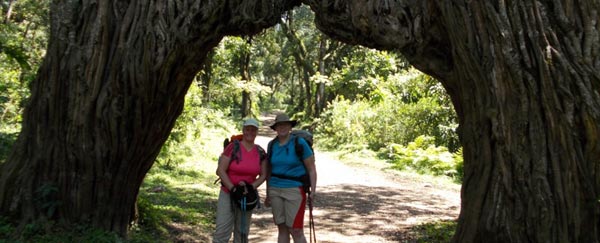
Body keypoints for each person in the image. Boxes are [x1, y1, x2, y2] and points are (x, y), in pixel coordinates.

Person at [213, 118, 268, 243]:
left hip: (246, 196)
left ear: (257, 132)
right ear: (243, 130)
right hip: (228, 192)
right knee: (222, 230)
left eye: (253, 130)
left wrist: (250, 187)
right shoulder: (232, 147)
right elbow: (221, 170)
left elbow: (264, 175)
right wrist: (233, 188)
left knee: (242, 232)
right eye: (247, 129)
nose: (250, 132)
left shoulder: (260, 151)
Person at [265, 113, 317, 243]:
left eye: (285, 125)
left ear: (290, 127)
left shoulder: (299, 143)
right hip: (275, 189)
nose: (282, 127)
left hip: (295, 190)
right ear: (275, 128)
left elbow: (311, 169)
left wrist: (313, 191)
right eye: (279, 125)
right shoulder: (272, 145)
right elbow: (269, 171)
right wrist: (268, 193)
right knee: (282, 228)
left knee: (296, 229)